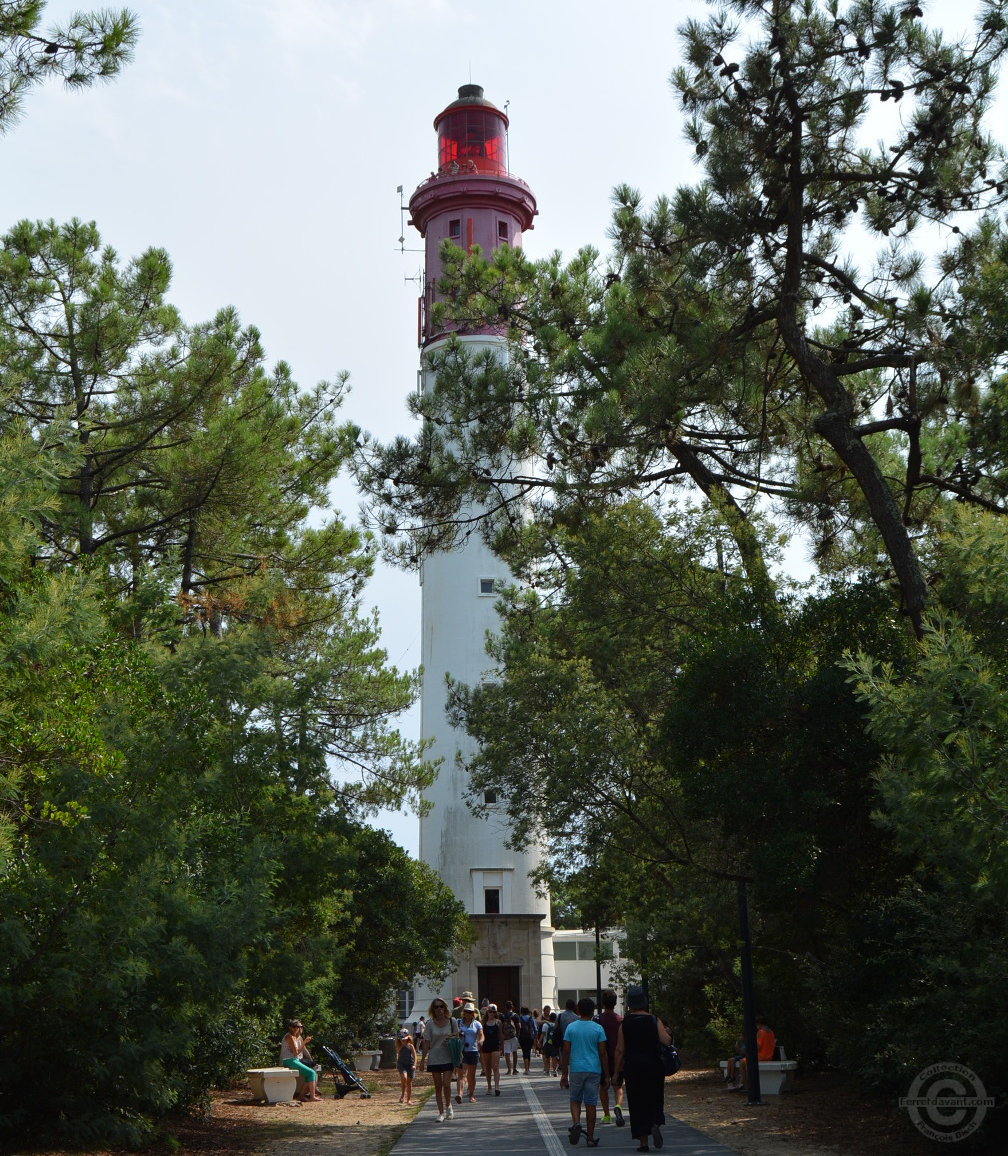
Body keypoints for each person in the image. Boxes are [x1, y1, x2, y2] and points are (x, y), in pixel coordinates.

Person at [612, 986, 673, 1152]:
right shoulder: (654, 1020)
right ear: (644, 1002)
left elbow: (619, 1049)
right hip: (654, 1065)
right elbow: (666, 1041)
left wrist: (617, 1072)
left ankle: (643, 1142)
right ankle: (655, 1123)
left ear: (630, 1004)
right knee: (654, 1097)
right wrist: (668, 1032)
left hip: (633, 1067)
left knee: (637, 1103)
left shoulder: (625, 1024)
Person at [559, 996, 609, 1148]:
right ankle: (590, 1138)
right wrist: (606, 1075)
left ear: (578, 1010)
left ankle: (576, 1123)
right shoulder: (598, 1028)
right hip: (593, 1069)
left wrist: (564, 1073)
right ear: (593, 1011)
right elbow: (603, 1053)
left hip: (576, 1068)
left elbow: (566, 1050)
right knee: (591, 1103)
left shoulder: (571, 1028)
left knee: (575, 1099)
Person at [421, 997, 458, 1122]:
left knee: (446, 1084)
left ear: (445, 1008)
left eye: (441, 1006)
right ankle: (441, 1112)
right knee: (437, 1086)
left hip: (448, 1056)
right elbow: (426, 1042)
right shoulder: (430, 1024)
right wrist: (422, 1060)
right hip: (434, 1057)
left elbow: (456, 1038)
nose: (439, 1009)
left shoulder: (452, 1022)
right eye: (436, 1007)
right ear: (433, 1009)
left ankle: (448, 1105)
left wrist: (459, 1055)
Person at [598, 987, 625, 1126]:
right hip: (618, 1058)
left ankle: (607, 1114)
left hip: (602, 1058)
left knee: (603, 1087)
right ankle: (618, 1106)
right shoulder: (620, 1020)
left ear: (603, 1003)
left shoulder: (598, 1020)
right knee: (618, 1086)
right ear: (615, 1003)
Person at [279, 1019, 321, 1102]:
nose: (296, 1028)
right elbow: (295, 1053)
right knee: (311, 1073)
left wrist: (304, 1042)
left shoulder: (295, 1037)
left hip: (293, 1060)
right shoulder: (289, 1037)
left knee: (310, 1072)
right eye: (294, 1026)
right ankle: (312, 1096)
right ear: (290, 1027)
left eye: (298, 1027)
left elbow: (299, 1051)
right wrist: (305, 1042)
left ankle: (302, 1095)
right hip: (289, 1060)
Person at [734, 1017, 776, 1092]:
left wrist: (749, 1050)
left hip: (761, 1057)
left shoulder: (760, 1032)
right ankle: (743, 1083)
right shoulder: (771, 1032)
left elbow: (757, 1047)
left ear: (759, 1024)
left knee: (742, 1062)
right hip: (769, 1057)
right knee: (746, 1061)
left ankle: (745, 1085)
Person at [457, 1001, 484, 1103]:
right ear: (464, 1012)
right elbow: (453, 1034)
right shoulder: (458, 1023)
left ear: (473, 1013)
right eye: (466, 1012)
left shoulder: (477, 1024)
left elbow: (481, 1034)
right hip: (461, 1051)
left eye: (470, 1012)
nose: (468, 1014)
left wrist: (481, 1040)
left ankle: (471, 1094)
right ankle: (460, 1094)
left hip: (473, 1051)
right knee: (462, 1074)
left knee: (471, 1075)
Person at [480, 1003, 502, 1095]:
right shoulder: (483, 1023)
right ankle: (489, 1086)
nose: (492, 1013)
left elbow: (501, 1035)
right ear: (487, 1012)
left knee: (495, 1066)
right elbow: (480, 1035)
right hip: (486, 1046)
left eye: (493, 1012)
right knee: (487, 1068)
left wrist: (502, 1046)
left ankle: (497, 1086)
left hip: (495, 1046)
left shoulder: (498, 1022)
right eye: (490, 1012)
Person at [396, 1027, 417, 1105]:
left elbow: (415, 1056)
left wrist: (414, 1065)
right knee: (404, 1078)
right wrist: (401, 1046)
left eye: (404, 1039)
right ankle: (402, 1095)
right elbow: (398, 1053)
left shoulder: (411, 1046)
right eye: (401, 1039)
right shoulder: (399, 1046)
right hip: (401, 1065)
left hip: (410, 1065)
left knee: (409, 1082)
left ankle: (409, 1099)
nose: (403, 1041)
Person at [500, 999, 520, 1074]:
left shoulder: (502, 1015)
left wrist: (501, 1036)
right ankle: (514, 1069)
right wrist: (518, 1035)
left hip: (505, 1036)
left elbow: (500, 1026)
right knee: (514, 1052)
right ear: (512, 1007)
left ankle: (509, 1069)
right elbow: (518, 1027)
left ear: (505, 1007)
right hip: (513, 1036)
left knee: (507, 1053)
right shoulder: (515, 1016)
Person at [517, 1005, 537, 1074]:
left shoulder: (520, 1018)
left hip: (522, 1037)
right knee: (528, 1052)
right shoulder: (531, 1018)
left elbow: (518, 1028)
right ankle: (528, 1068)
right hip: (530, 1037)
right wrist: (535, 1037)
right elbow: (535, 1029)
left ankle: (526, 1069)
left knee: (524, 1052)